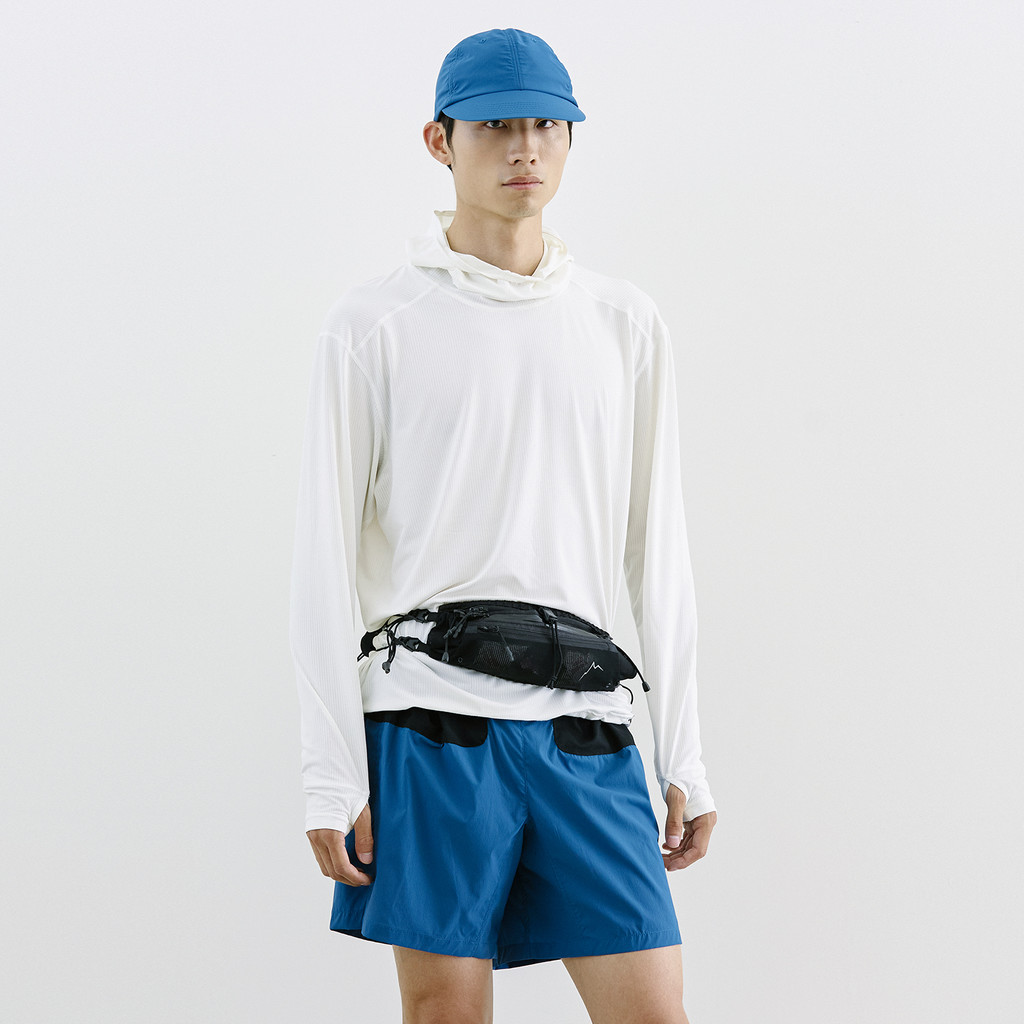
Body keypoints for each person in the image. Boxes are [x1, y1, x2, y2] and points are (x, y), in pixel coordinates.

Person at [289, 26, 718, 1024]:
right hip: (429, 719)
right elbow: (322, 560)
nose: (525, 147)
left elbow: (657, 550)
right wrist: (329, 773)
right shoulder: (373, 326)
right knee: (445, 1010)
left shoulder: (622, 322)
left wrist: (684, 757)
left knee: (652, 1008)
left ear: (569, 138)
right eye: (494, 127)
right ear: (440, 141)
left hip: (587, 724)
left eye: (546, 126)